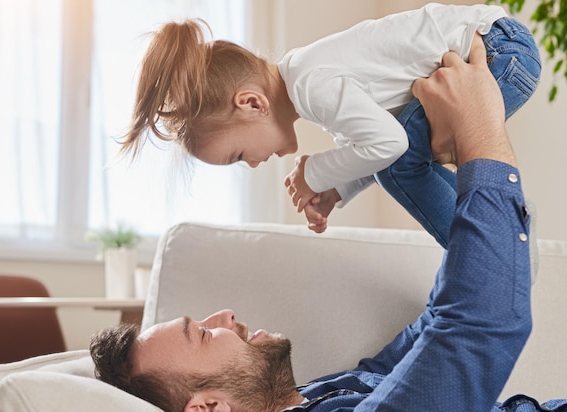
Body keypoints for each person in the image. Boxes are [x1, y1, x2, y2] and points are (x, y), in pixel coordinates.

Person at [91, 37, 567, 412]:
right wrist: (479, 131)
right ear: (206, 408)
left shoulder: (313, 401)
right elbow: (480, 323)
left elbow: (440, 321)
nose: (221, 315)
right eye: (201, 333)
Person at [118, 3, 540, 248]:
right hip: (501, 47)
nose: (250, 164)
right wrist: (336, 190)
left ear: (251, 103)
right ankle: (502, 227)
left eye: (237, 155)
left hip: (495, 52)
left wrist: (314, 172)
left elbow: (388, 146)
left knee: (400, 165)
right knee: (400, 164)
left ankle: (487, 251)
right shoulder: (310, 80)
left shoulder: (311, 83)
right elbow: (378, 147)